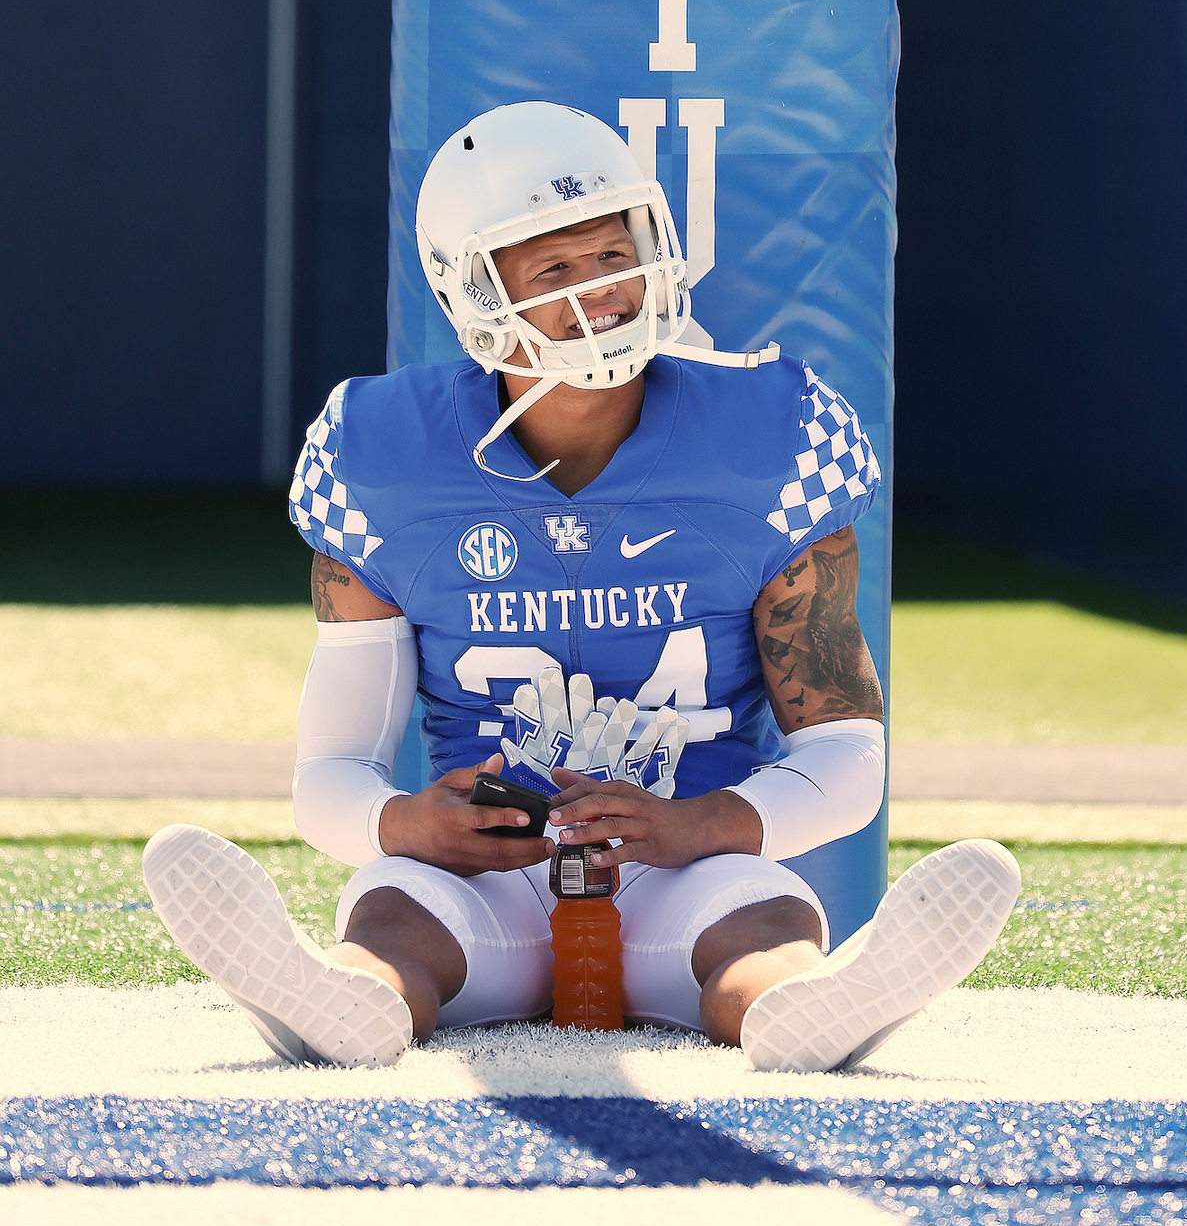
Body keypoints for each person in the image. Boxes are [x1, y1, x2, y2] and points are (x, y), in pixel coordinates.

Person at [143, 102, 1020, 1073]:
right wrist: (407, 822)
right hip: (485, 876)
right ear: (473, 295)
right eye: (556, 271)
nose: (603, 293)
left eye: (615, 254)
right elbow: (330, 775)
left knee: (759, 929)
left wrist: (697, 824)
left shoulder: (772, 437)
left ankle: (806, 1008)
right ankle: (346, 1000)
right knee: (397, 914)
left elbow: (847, 752)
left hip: (685, 863)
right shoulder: (381, 457)